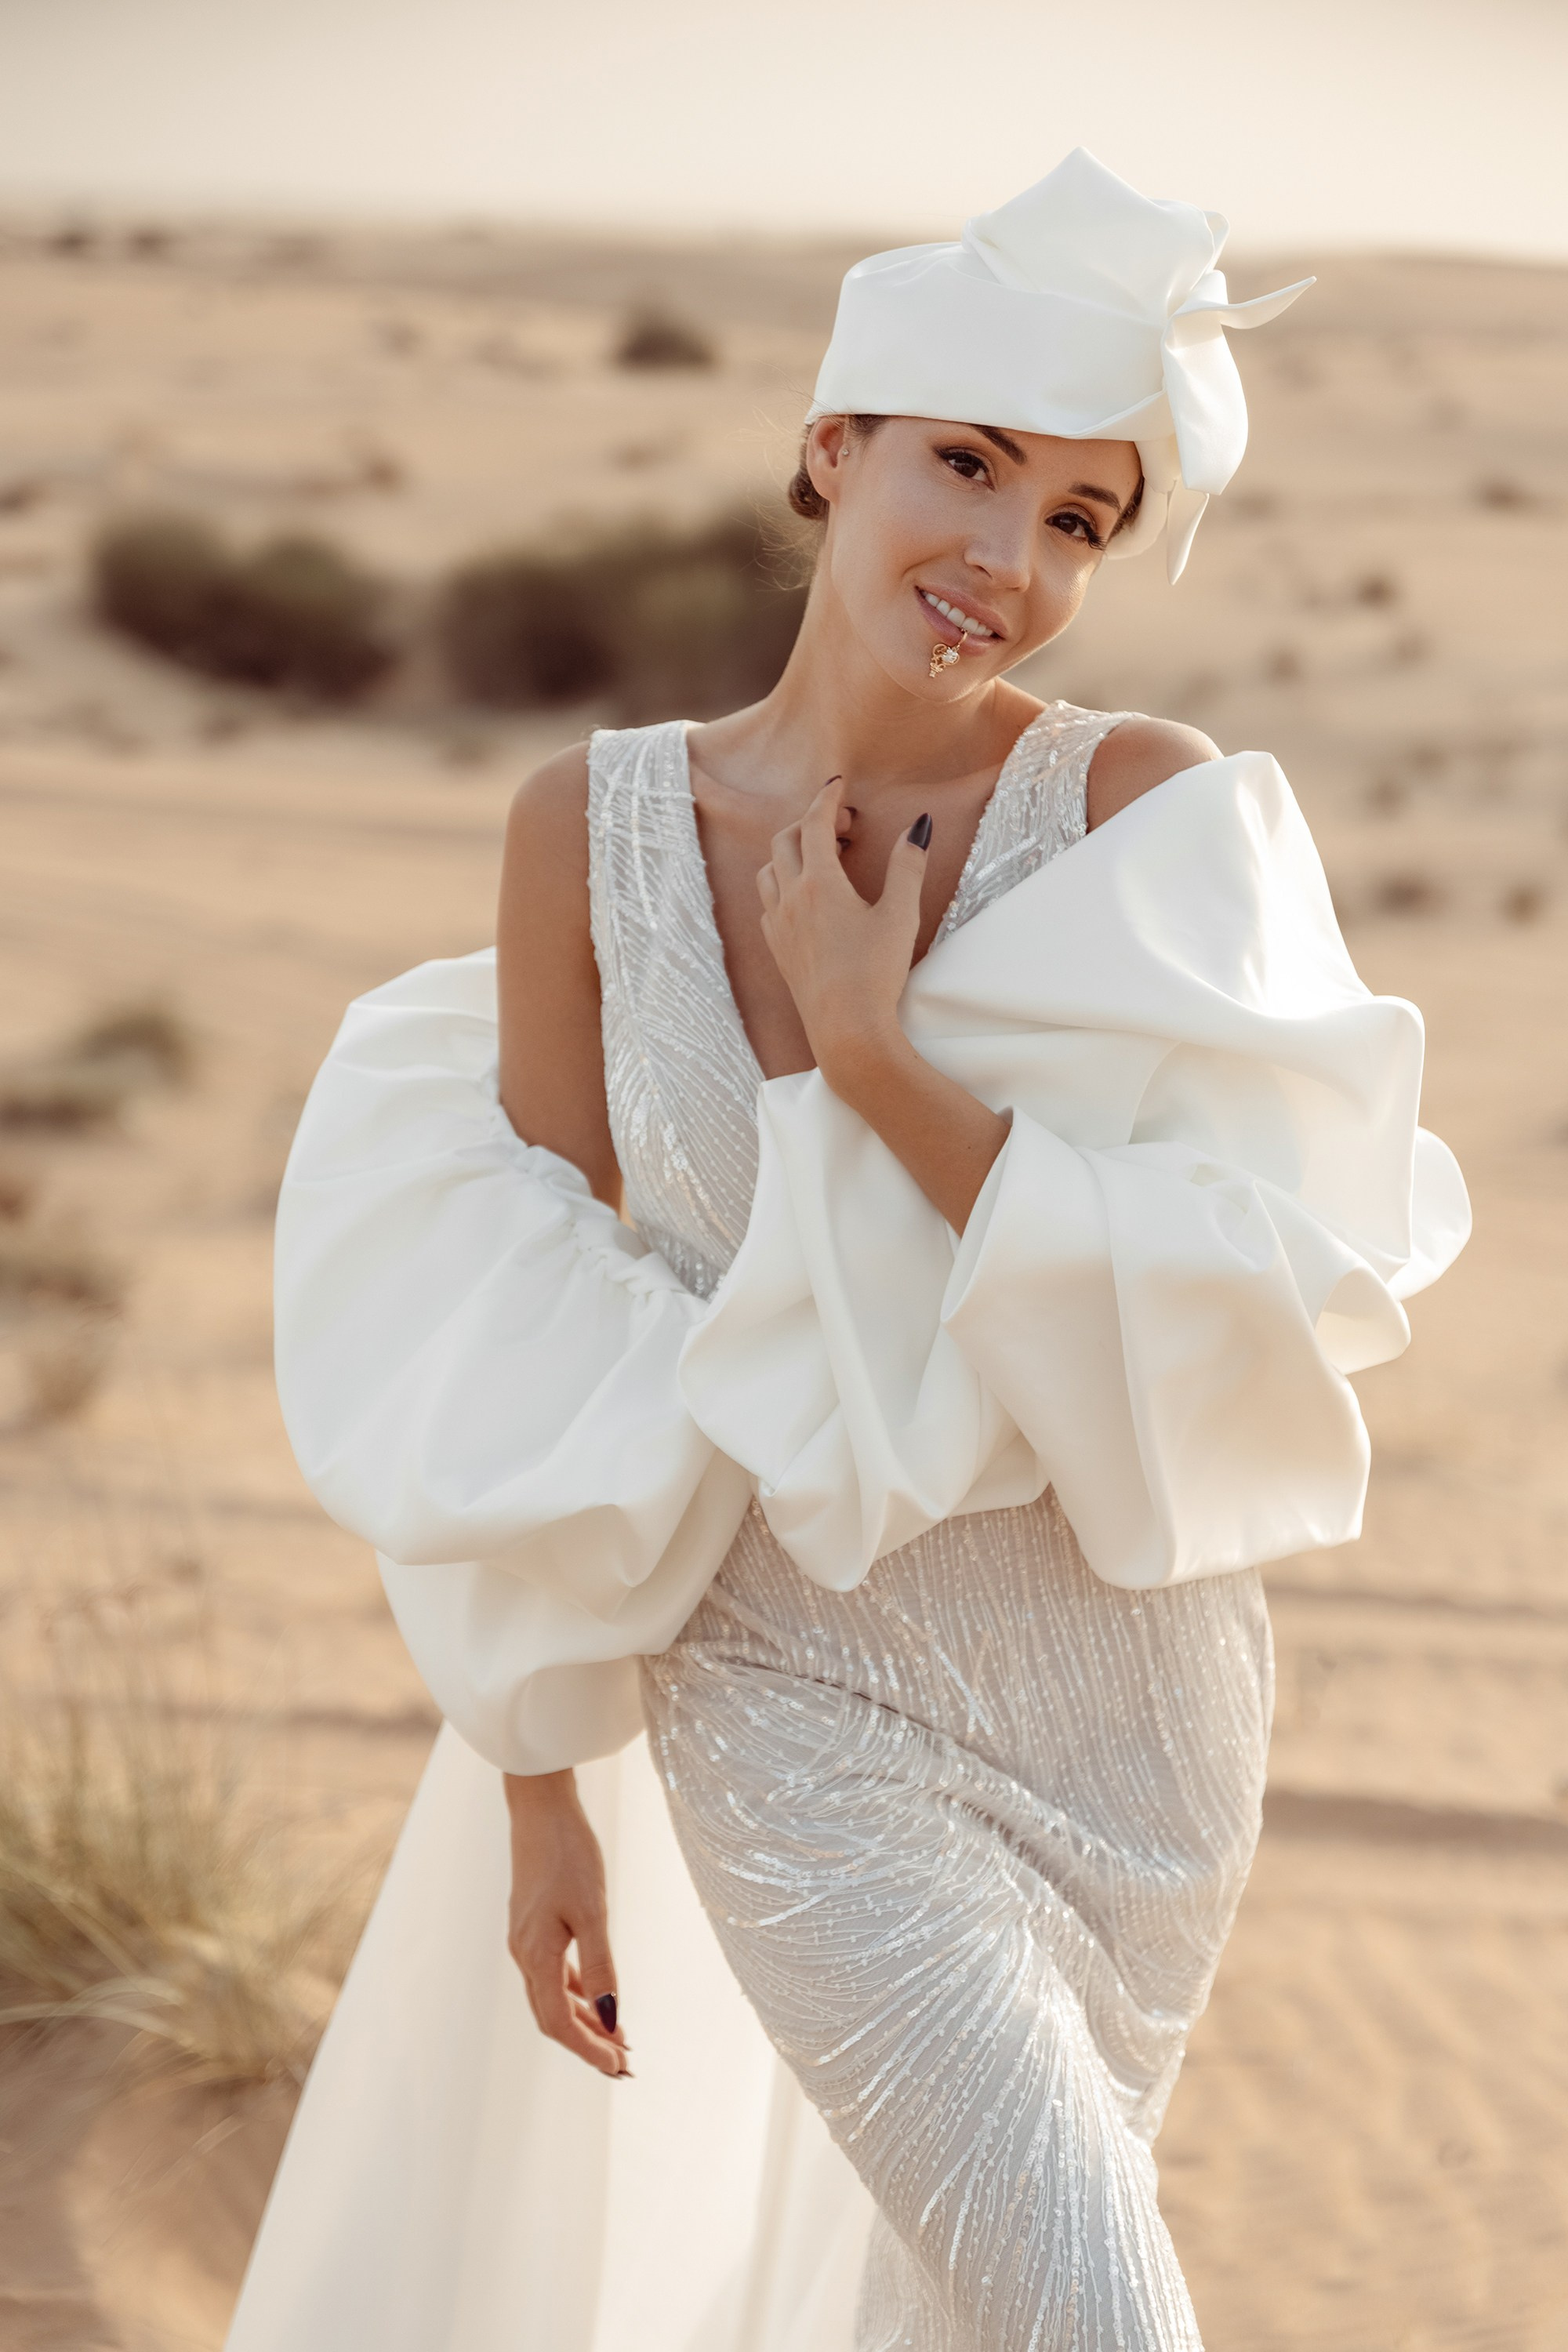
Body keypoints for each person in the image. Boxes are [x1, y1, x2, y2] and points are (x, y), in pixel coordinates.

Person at [234, 151, 1468, 2352]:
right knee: (1094, 2315)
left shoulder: (1144, 809)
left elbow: (1251, 1288)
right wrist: (540, 1796)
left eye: (1080, 518)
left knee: (964, 2310)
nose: (1007, 559)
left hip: (1132, 1706)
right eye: (966, 466)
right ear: (831, 447)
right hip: (785, 1696)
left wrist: (877, 1054)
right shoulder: (587, 835)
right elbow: (542, 1337)